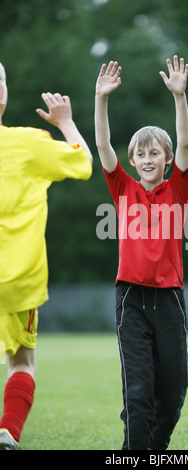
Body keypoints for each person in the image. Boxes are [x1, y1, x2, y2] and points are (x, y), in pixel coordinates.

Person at [95, 56, 188, 450]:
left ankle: (155, 449)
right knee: (138, 390)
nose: (148, 160)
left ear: (167, 160)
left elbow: (185, 141)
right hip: (131, 299)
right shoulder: (122, 189)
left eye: (156, 154)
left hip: (169, 300)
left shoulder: (177, 190)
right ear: (132, 160)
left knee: (173, 389)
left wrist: (179, 97)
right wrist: (100, 100)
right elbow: (102, 143)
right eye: (141, 155)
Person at [0, 62, 93, 450]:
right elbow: (85, 163)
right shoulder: (29, 142)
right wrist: (66, 122)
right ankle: (7, 432)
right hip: (18, 280)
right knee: (21, 363)